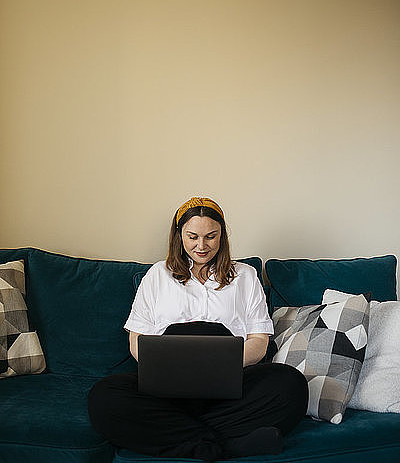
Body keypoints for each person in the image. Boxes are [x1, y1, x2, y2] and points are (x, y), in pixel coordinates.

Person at [88, 197, 308, 461]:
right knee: (103, 398)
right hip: (166, 389)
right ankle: (225, 447)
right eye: (192, 236)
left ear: (222, 236)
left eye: (210, 237)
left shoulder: (246, 276)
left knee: (291, 384)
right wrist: (167, 369)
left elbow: (259, 342)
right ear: (179, 235)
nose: (201, 246)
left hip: (231, 389)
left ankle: (178, 433)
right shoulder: (158, 274)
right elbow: (137, 340)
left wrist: (220, 368)